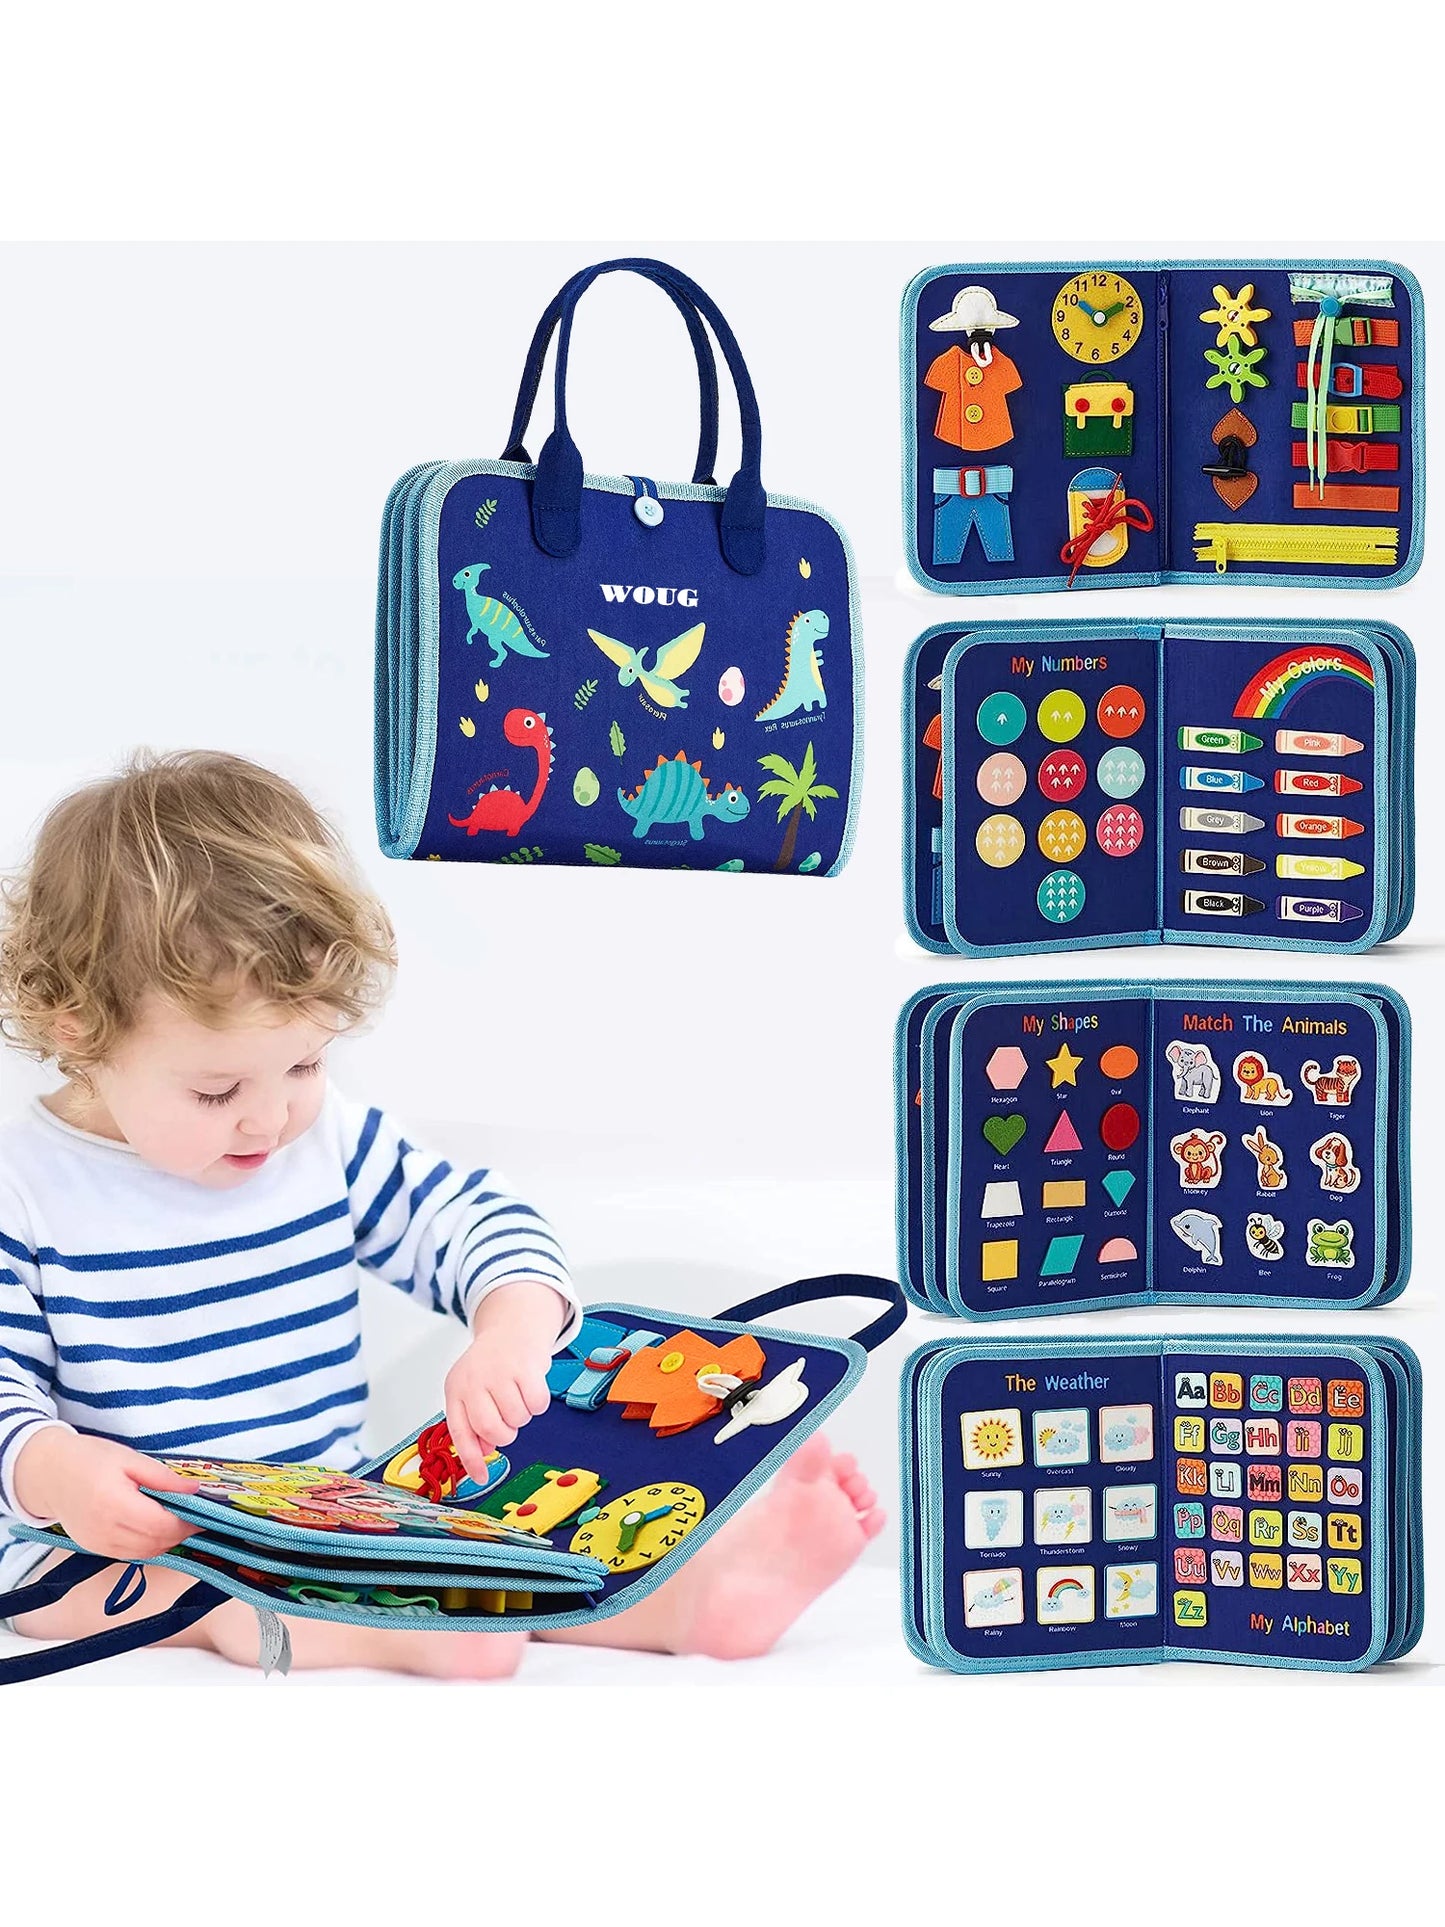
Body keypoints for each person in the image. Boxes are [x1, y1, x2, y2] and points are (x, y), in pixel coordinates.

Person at [0, 751, 881, 1678]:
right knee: (191, 1586)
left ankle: (681, 1604)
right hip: (117, 1538)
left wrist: (509, 1323)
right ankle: (350, 1624)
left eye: (305, 1066)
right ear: (79, 1030)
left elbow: (468, 1217)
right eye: (217, 1090)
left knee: (491, 1528)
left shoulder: (322, 1140)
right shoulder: (26, 1192)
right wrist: (57, 1468)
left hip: (333, 1511)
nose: (270, 1117)